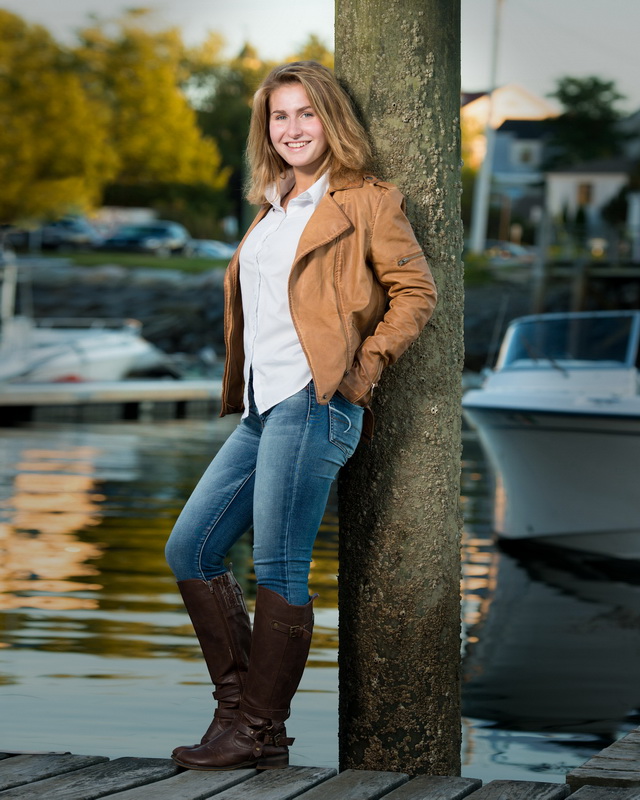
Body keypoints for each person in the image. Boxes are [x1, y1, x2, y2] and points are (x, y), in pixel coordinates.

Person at [165, 60, 437, 772]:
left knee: (279, 565)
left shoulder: (367, 202)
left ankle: (255, 729)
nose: (292, 128)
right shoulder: (272, 203)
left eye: (306, 114)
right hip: (262, 410)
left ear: (331, 121)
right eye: (279, 116)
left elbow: (415, 292)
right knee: (189, 548)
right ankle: (245, 719)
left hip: (316, 405)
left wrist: (360, 372)